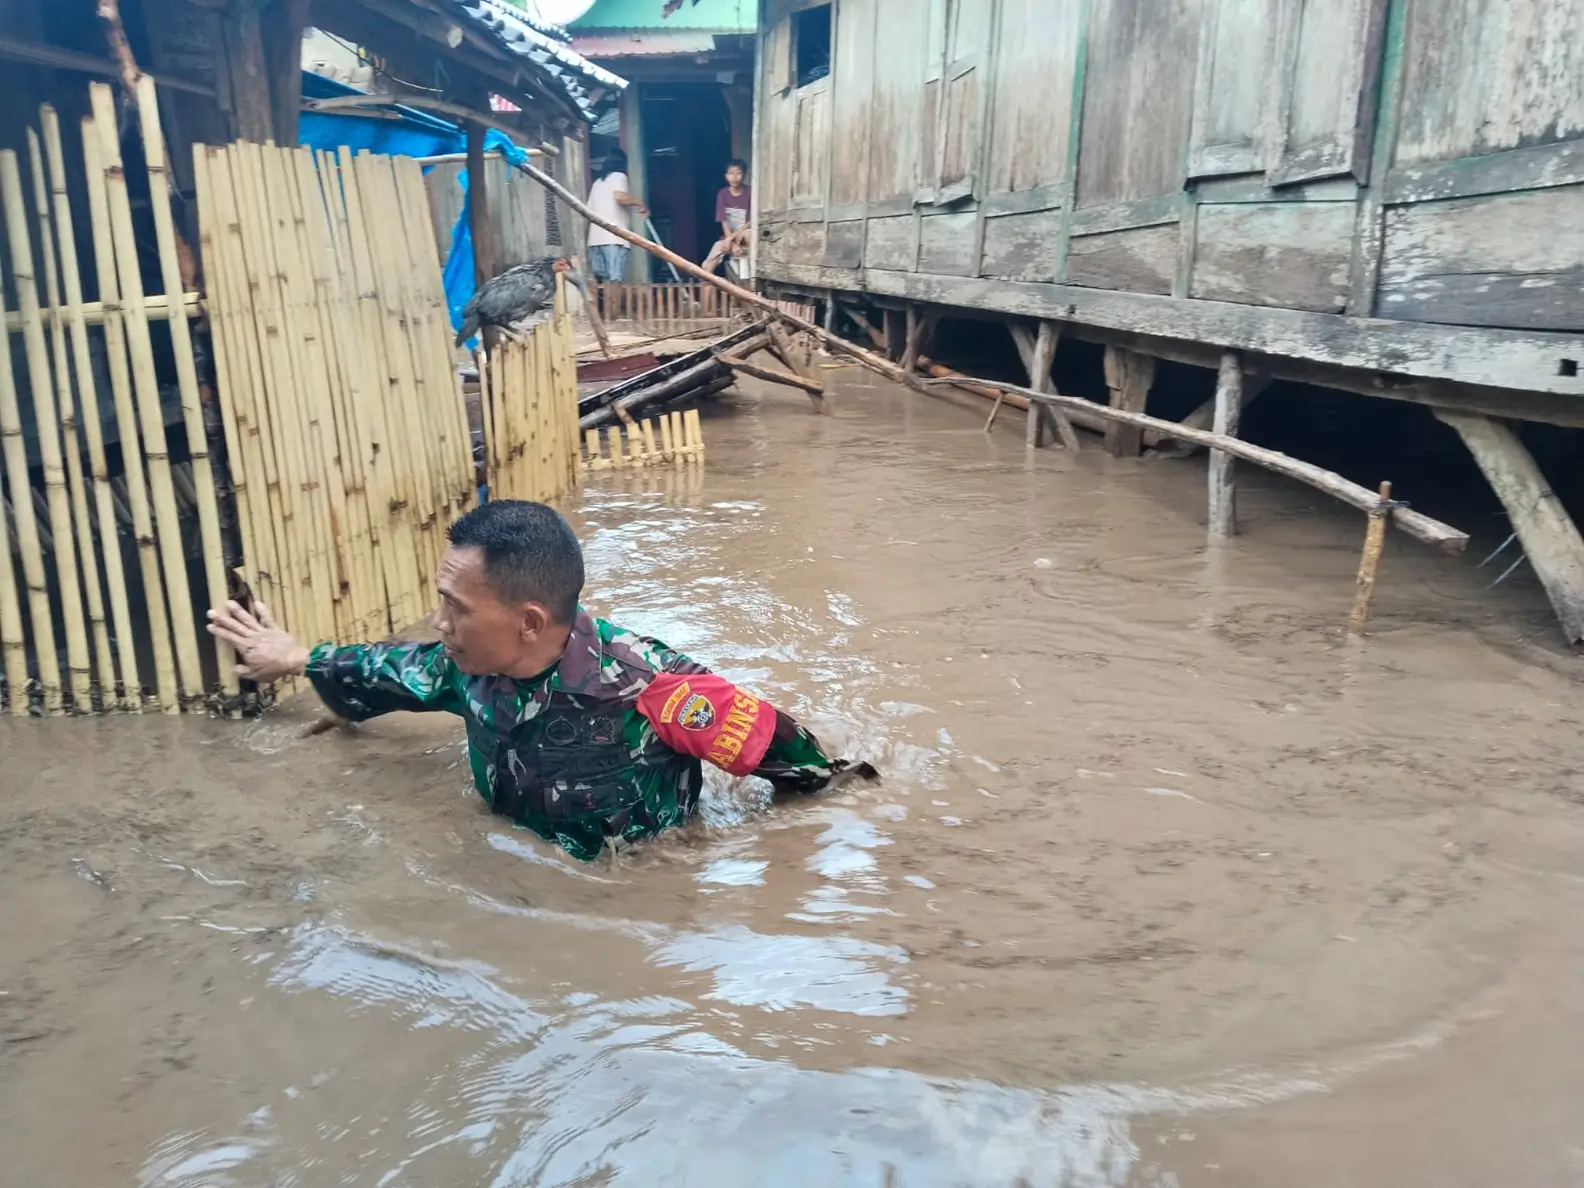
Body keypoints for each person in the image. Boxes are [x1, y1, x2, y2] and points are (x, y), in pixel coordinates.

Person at [206, 501, 874, 862]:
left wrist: (724, 853)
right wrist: (296, 658)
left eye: (456, 609)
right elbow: (385, 670)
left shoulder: (657, 689)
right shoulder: (463, 667)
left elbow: (810, 771)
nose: (439, 624)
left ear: (528, 621)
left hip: (634, 896)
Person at [586, 150, 647, 283]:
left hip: (595, 240)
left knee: (600, 279)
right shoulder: (619, 176)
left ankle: (601, 304)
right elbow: (619, 197)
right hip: (615, 237)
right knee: (615, 280)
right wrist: (640, 203)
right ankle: (613, 304)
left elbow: (588, 210)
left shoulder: (597, 183)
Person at [702, 159, 752, 278]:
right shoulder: (723, 194)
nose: (734, 177)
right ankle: (705, 294)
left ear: (744, 175)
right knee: (706, 267)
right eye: (730, 173)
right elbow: (723, 220)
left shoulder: (750, 192)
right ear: (726, 176)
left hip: (744, 233)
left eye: (738, 173)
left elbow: (751, 221)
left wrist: (732, 240)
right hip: (728, 236)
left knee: (750, 235)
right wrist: (730, 241)